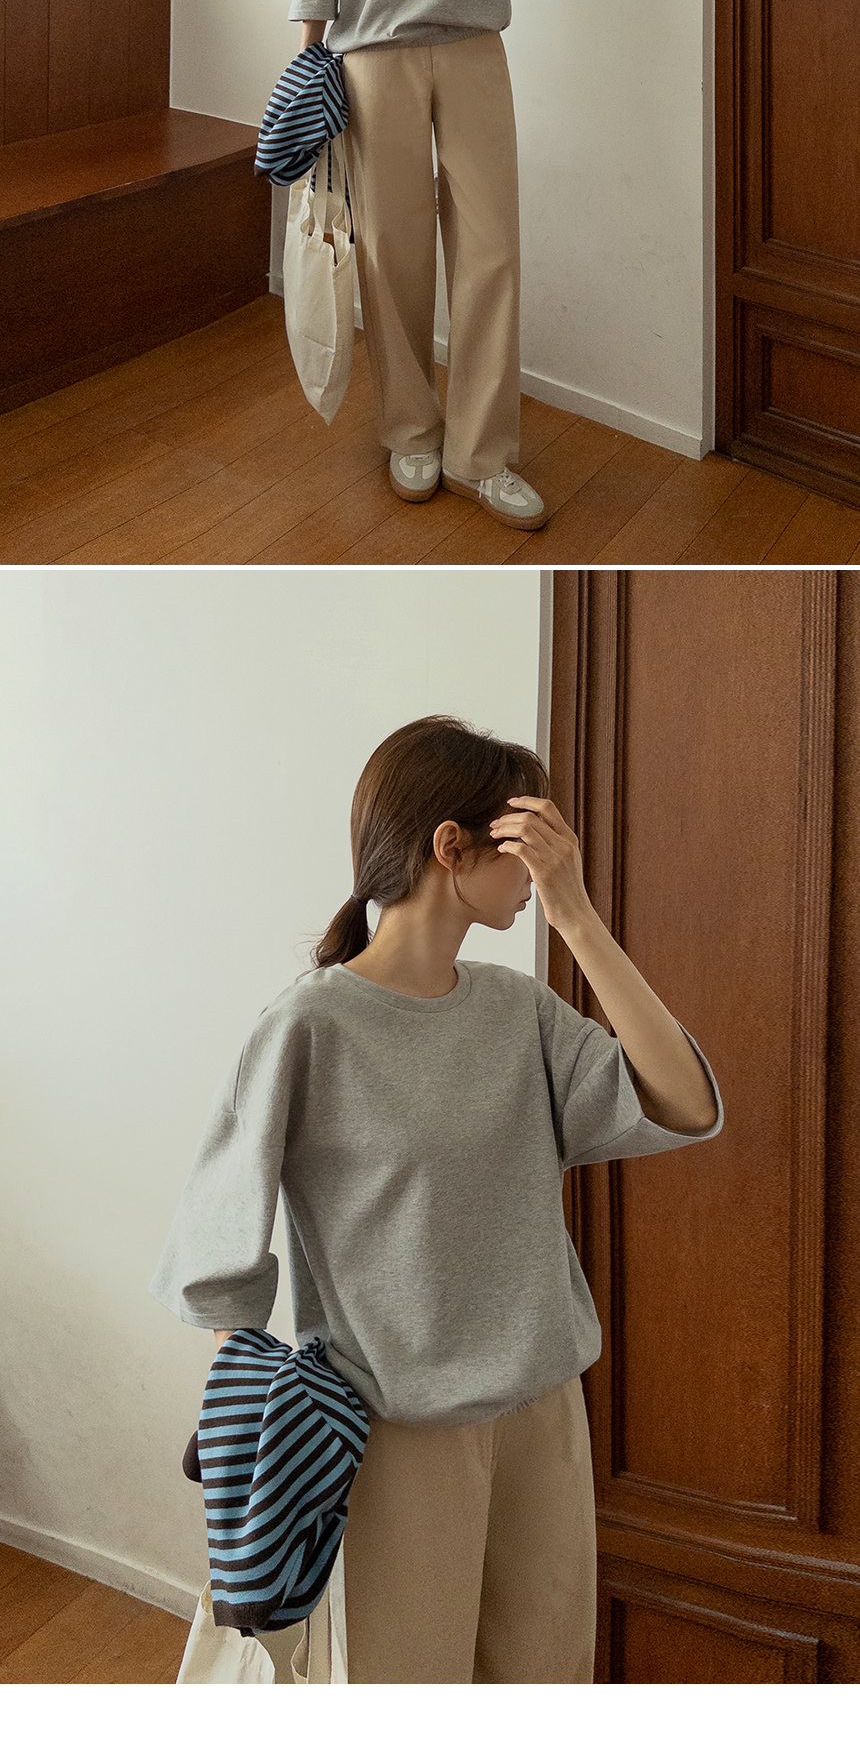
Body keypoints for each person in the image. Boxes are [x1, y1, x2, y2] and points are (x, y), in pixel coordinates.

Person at [151, 712, 724, 1685]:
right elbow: (216, 1254)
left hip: (542, 1410)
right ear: (451, 846)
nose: (538, 869)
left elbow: (683, 1102)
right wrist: (261, 1445)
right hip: (395, 1433)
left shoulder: (516, 1012)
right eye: (526, 842)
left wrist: (576, 916)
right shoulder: (308, 1027)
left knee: (541, 1678)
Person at [289, 0, 575, 526]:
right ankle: (411, 431)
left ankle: (482, 455)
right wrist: (306, 69)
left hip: (473, 55)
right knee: (393, 249)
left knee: (492, 250)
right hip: (373, 65)